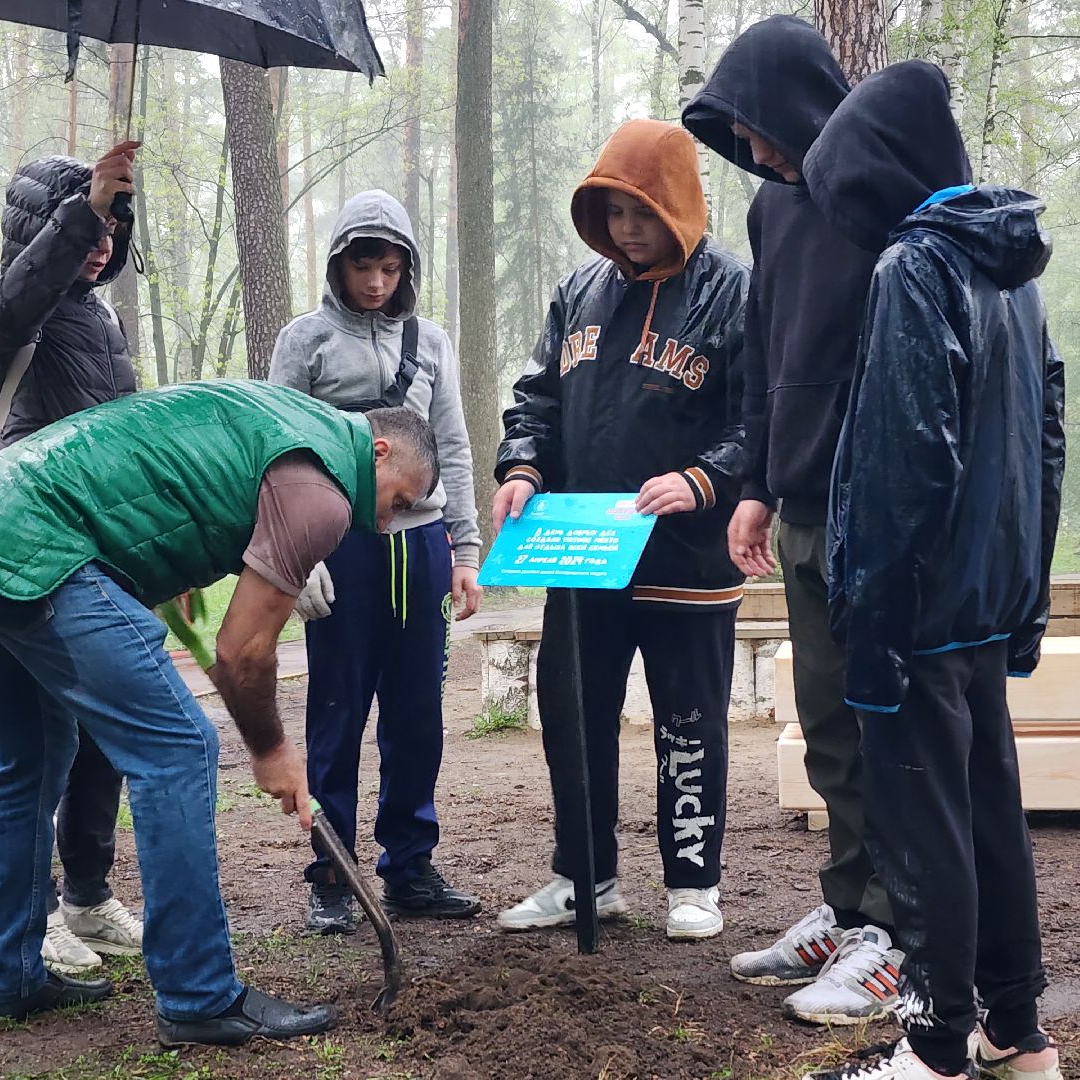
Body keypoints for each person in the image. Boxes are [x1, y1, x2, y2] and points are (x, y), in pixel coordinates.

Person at [0, 381, 439, 1045]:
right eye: (399, 501)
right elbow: (242, 653)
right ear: (380, 449)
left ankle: (6, 976)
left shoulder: (285, 418)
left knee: (31, 758)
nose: (386, 522)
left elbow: (168, 466)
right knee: (179, 747)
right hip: (35, 545)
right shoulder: (324, 491)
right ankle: (199, 995)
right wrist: (272, 749)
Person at [800, 61, 1065, 1080]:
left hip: (917, 611)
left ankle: (938, 1045)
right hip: (983, 604)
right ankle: (1015, 1029)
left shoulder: (915, 268)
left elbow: (904, 460)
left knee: (925, 828)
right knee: (989, 811)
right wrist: (1024, 596)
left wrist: (877, 618)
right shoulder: (1010, 271)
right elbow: (1044, 449)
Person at [682, 16, 902, 1024]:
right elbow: (769, 362)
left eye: (759, 128)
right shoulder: (773, 212)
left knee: (884, 719)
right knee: (825, 724)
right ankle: (850, 905)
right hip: (803, 504)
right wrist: (760, 487)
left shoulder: (878, 196)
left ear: (801, 105)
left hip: (881, 508)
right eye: (736, 135)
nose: (756, 151)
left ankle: (897, 929)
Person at [493, 118, 749, 942]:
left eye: (639, 210)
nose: (626, 228)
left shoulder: (733, 293)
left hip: (686, 558)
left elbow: (764, 417)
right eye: (610, 211)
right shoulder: (578, 293)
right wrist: (523, 467)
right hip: (583, 553)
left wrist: (702, 479)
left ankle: (694, 882)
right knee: (574, 717)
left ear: (676, 202)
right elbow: (536, 397)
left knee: (687, 723)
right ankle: (585, 875)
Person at [269, 189, 483, 934]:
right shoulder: (305, 340)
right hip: (339, 544)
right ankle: (332, 872)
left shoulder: (432, 342)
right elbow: (278, 448)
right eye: (364, 265)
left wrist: (465, 551)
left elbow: (450, 446)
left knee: (418, 716)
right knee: (337, 712)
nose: (377, 283)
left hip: (419, 546)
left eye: (391, 268)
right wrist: (296, 555)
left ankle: (410, 867)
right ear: (338, 262)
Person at [0, 142, 145, 975]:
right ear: (41, 225)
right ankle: (31, 929)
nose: (105, 238)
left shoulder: (104, 324)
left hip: (95, 551)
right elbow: (17, 300)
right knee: (38, 750)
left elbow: (128, 446)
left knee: (105, 734)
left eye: (116, 222)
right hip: (22, 552)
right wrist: (84, 210)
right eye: (91, 222)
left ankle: (87, 893)